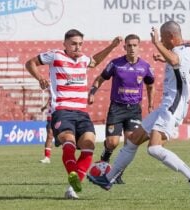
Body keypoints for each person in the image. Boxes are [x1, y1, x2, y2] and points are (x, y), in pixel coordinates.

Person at [87, 21, 190, 197]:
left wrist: (156, 44)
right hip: (166, 105)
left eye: (164, 39)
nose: (162, 42)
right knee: (132, 140)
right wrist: (162, 57)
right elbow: (175, 62)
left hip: (174, 106)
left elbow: (175, 61)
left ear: (171, 37)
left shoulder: (182, 51)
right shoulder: (181, 51)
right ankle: (108, 179)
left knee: (154, 148)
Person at [25, 29, 122, 199]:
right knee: (68, 142)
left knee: (89, 145)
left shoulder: (84, 60)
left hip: (81, 112)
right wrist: (40, 77)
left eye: (80, 44)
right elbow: (30, 63)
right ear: (65, 44)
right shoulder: (55, 56)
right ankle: (74, 175)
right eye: (74, 44)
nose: (78, 47)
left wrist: (112, 46)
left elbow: (95, 62)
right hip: (62, 110)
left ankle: (72, 188)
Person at [88, 34, 155, 184]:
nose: (132, 48)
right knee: (112, 142)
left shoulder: (145, 67)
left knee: (131, 142)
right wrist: (92, 92)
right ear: (124, 47)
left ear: (139, 47)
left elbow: (150, 86)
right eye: (129, 45)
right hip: (117, 108)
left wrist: (150, 104)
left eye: (134, 45)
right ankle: (105, 158)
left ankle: (117, 173)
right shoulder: (116, 64)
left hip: (134, 110)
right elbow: (100, 78)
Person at [39, 96, 54, 164]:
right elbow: (49, 102)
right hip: (51, 117)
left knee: (64, 136)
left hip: (60, 116)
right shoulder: (52, 92)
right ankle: (47, 158)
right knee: (49, 135)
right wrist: (44, 107)